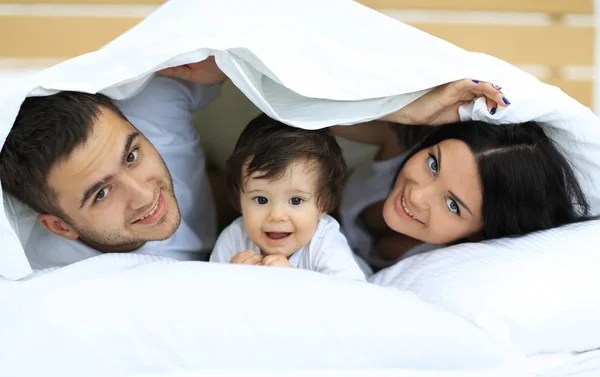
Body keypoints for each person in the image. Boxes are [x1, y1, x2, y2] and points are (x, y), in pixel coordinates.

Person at [334, 79, 592, 272]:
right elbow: (306, 110)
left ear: (480, 233)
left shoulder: (440, 267)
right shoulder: (400, 142)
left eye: (453, 205)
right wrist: (407, 112)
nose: (417, 195)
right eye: (433, 164)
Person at [0, 58, 227, 268]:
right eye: (101, 193)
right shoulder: (59, 279)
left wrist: (223, 66)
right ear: (61, 226)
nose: (145, 196)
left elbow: (230, 62)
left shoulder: (152, 109)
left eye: (131, 157)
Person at [209, 114, 366, 281]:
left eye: (295, 201)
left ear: (324, 204)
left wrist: (293, 281)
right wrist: (228, 279)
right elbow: (209, 293)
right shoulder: (234, 238)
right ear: (239, 197)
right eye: (261, 199)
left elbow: (351, 298)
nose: (276, 215)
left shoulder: (325, 243)